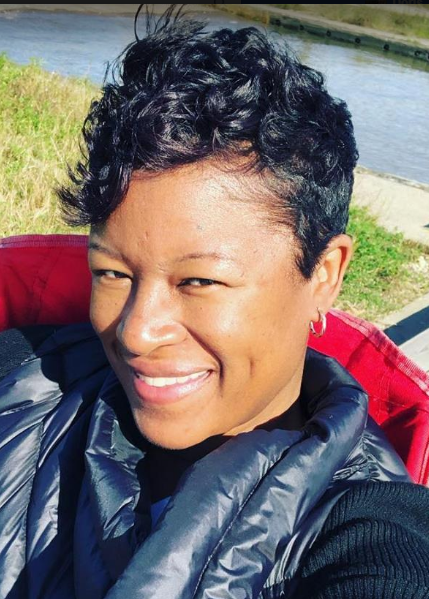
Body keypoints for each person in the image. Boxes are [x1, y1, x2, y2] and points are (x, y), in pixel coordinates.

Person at [1, 6, 429, 599]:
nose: (136, 333)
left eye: (199, 282)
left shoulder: (374, 535)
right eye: (112, 272)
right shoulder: (24, 376)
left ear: (324, 274)